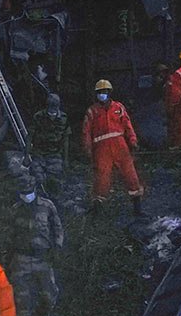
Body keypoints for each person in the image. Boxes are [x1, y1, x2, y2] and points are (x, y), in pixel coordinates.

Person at [9, 182, 64, 316]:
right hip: (21, 259)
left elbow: (57, 228)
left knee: (50, 295)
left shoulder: (47, 206)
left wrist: (57, 248)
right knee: (22, 300)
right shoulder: (16, 208)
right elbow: (9, 234)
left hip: (42, 258)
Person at [81, 79, 144, 215]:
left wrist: (133, 141)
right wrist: (88, 149)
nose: (102, 94)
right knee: (102, 178)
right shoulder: (92, 111)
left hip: (120, 146)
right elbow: (86, 132)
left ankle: (137, 209)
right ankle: (97, 210)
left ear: (109, 93)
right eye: (99, 92)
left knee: (130, 174)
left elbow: (128, 125)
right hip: (101, 149)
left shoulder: (118, 108)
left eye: (104, 92)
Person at [27, 93, 68, 186]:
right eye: (51, 106)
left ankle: (52, 197)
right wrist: (27, 155)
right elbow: (29, 136)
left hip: (55, 154)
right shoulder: (38, 117)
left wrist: (65, 159)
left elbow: (66, 139)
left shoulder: (63, 118)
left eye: (55, 106)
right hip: (39, 153)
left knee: (54, 180)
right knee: (38, 178)